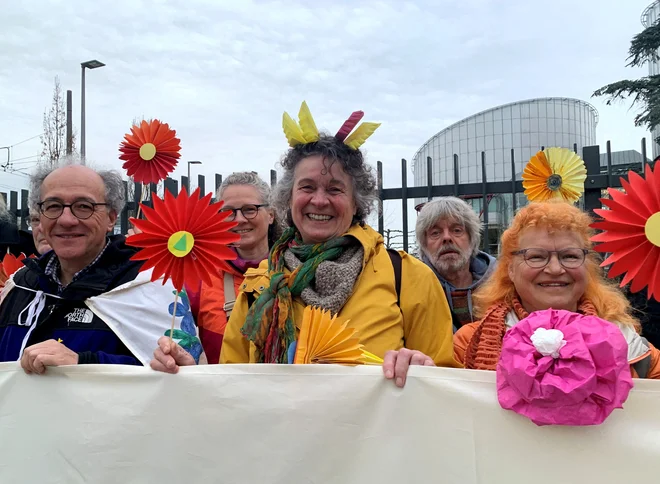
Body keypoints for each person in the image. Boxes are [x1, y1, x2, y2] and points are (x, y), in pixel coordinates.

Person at [152, 104, 459, 386]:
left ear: (356, 203)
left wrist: (423, 369)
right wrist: (189, 376)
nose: (320, 200)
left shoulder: (407, 276)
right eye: (307, 187)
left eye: (335, 188)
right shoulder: (257, 286)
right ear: (289, 199)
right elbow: (230, 386)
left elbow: (446, 386)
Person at [453, 200, 660, 378]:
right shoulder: (469, 345)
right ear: (511, 270)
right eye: (536, 257)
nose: (555, 269)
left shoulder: (630, 345)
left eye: (569, 256)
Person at [0, 163, 150, 372]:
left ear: (111, 218)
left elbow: (176, 379)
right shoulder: (20, 285)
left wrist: (82, 365)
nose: (66, 220)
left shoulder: (145, 285)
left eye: (84, 207)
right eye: (53, 206)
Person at [186, 171, 278, 364]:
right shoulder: (202, 275)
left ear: (271, 215)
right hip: (219, 391)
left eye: (249, 209)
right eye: (228, 212)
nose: (239, 219)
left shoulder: (293, 271)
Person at [416, 197, 495, 330]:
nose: (447, 238)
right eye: (435, 233)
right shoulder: (413, 289)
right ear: (424, 245)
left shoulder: (500, 284)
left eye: (457, 230)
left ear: (472, 239)